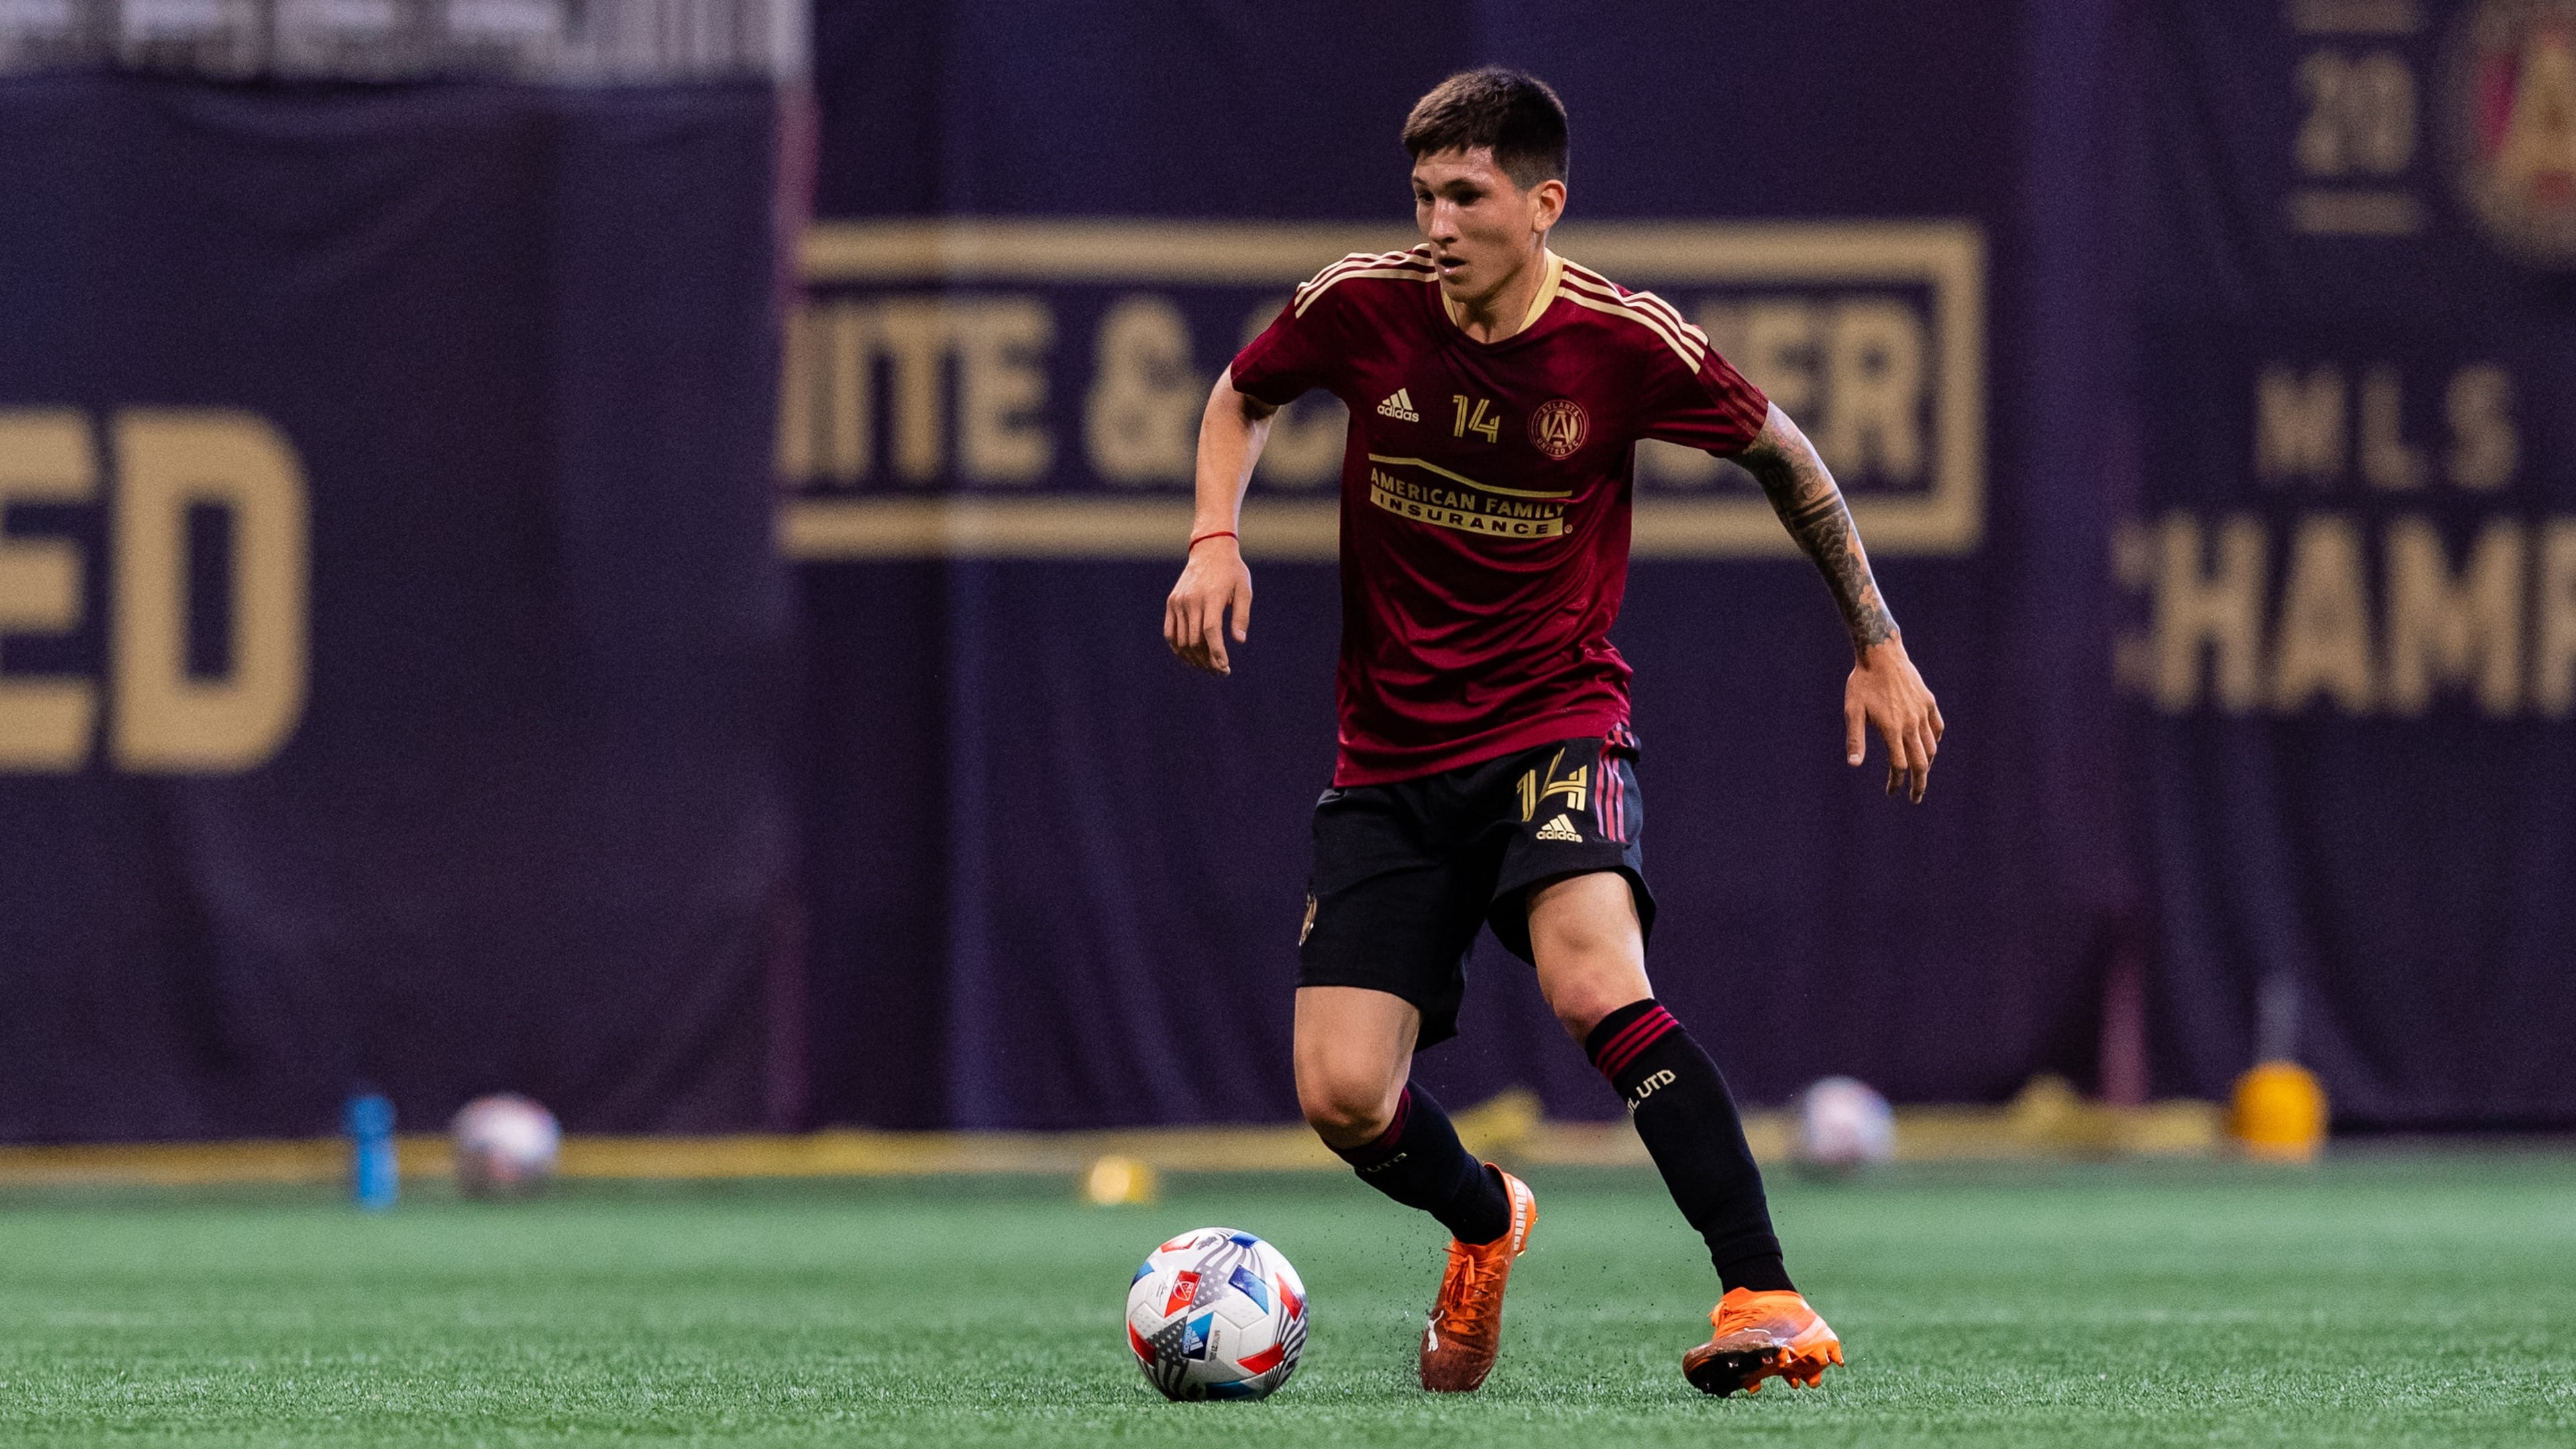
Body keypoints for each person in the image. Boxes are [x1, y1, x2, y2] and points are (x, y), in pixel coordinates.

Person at [1161, 66, 1943, 1397]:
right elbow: (1241, 394)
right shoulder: (1364, 304)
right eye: (1423, 194)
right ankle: (1486, 1220)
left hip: (1554, 727)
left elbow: (1791, 459)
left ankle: (1762, 1290)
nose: (1439, 222)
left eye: (1466, 195)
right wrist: (1213, 536)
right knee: (1343, 1097)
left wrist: (1878, 641)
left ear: (1544, 203)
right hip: (1391, 757)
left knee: (1597, 984)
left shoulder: (1621, 341)